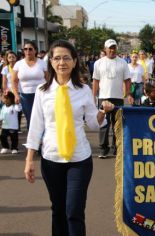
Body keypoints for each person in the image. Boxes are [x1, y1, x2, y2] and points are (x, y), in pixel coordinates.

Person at [23, 39, 115, 236]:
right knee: (58, 210)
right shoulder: (42, 92)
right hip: (51, 159)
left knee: (73, 211)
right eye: (57, 58)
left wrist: (103, 111)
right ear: (51, 62)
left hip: (79, 160)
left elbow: (92, 123)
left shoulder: (83, 91)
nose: (61, 62)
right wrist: (29, 159)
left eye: (66, 58)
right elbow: (35, 127)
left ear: (74, 62)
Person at [92, 39, 134, 158]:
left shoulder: (123, 63)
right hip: (103, 97)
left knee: (117, 124)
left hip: (118, 98)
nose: (112, 50)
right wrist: (93, 96)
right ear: (105, 49)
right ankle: (103, 149)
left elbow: (127, 80)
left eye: (114, 47)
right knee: (104, 124)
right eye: (110, 48)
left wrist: (129, 94)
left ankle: (116, 148)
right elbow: (95, 81)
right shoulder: (98, 63)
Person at [12, 41, 48, 130]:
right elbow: (14, 81)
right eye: (25, 49)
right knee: (30, 118)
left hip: (41, 94)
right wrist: (16, 95)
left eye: (30, 49)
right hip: (25, 96)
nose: (28, 51)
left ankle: (42, 140)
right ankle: (33, 140)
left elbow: (48, 79)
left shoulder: (42, 63)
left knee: (41, 117)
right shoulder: (18, 64)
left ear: (35, 50)